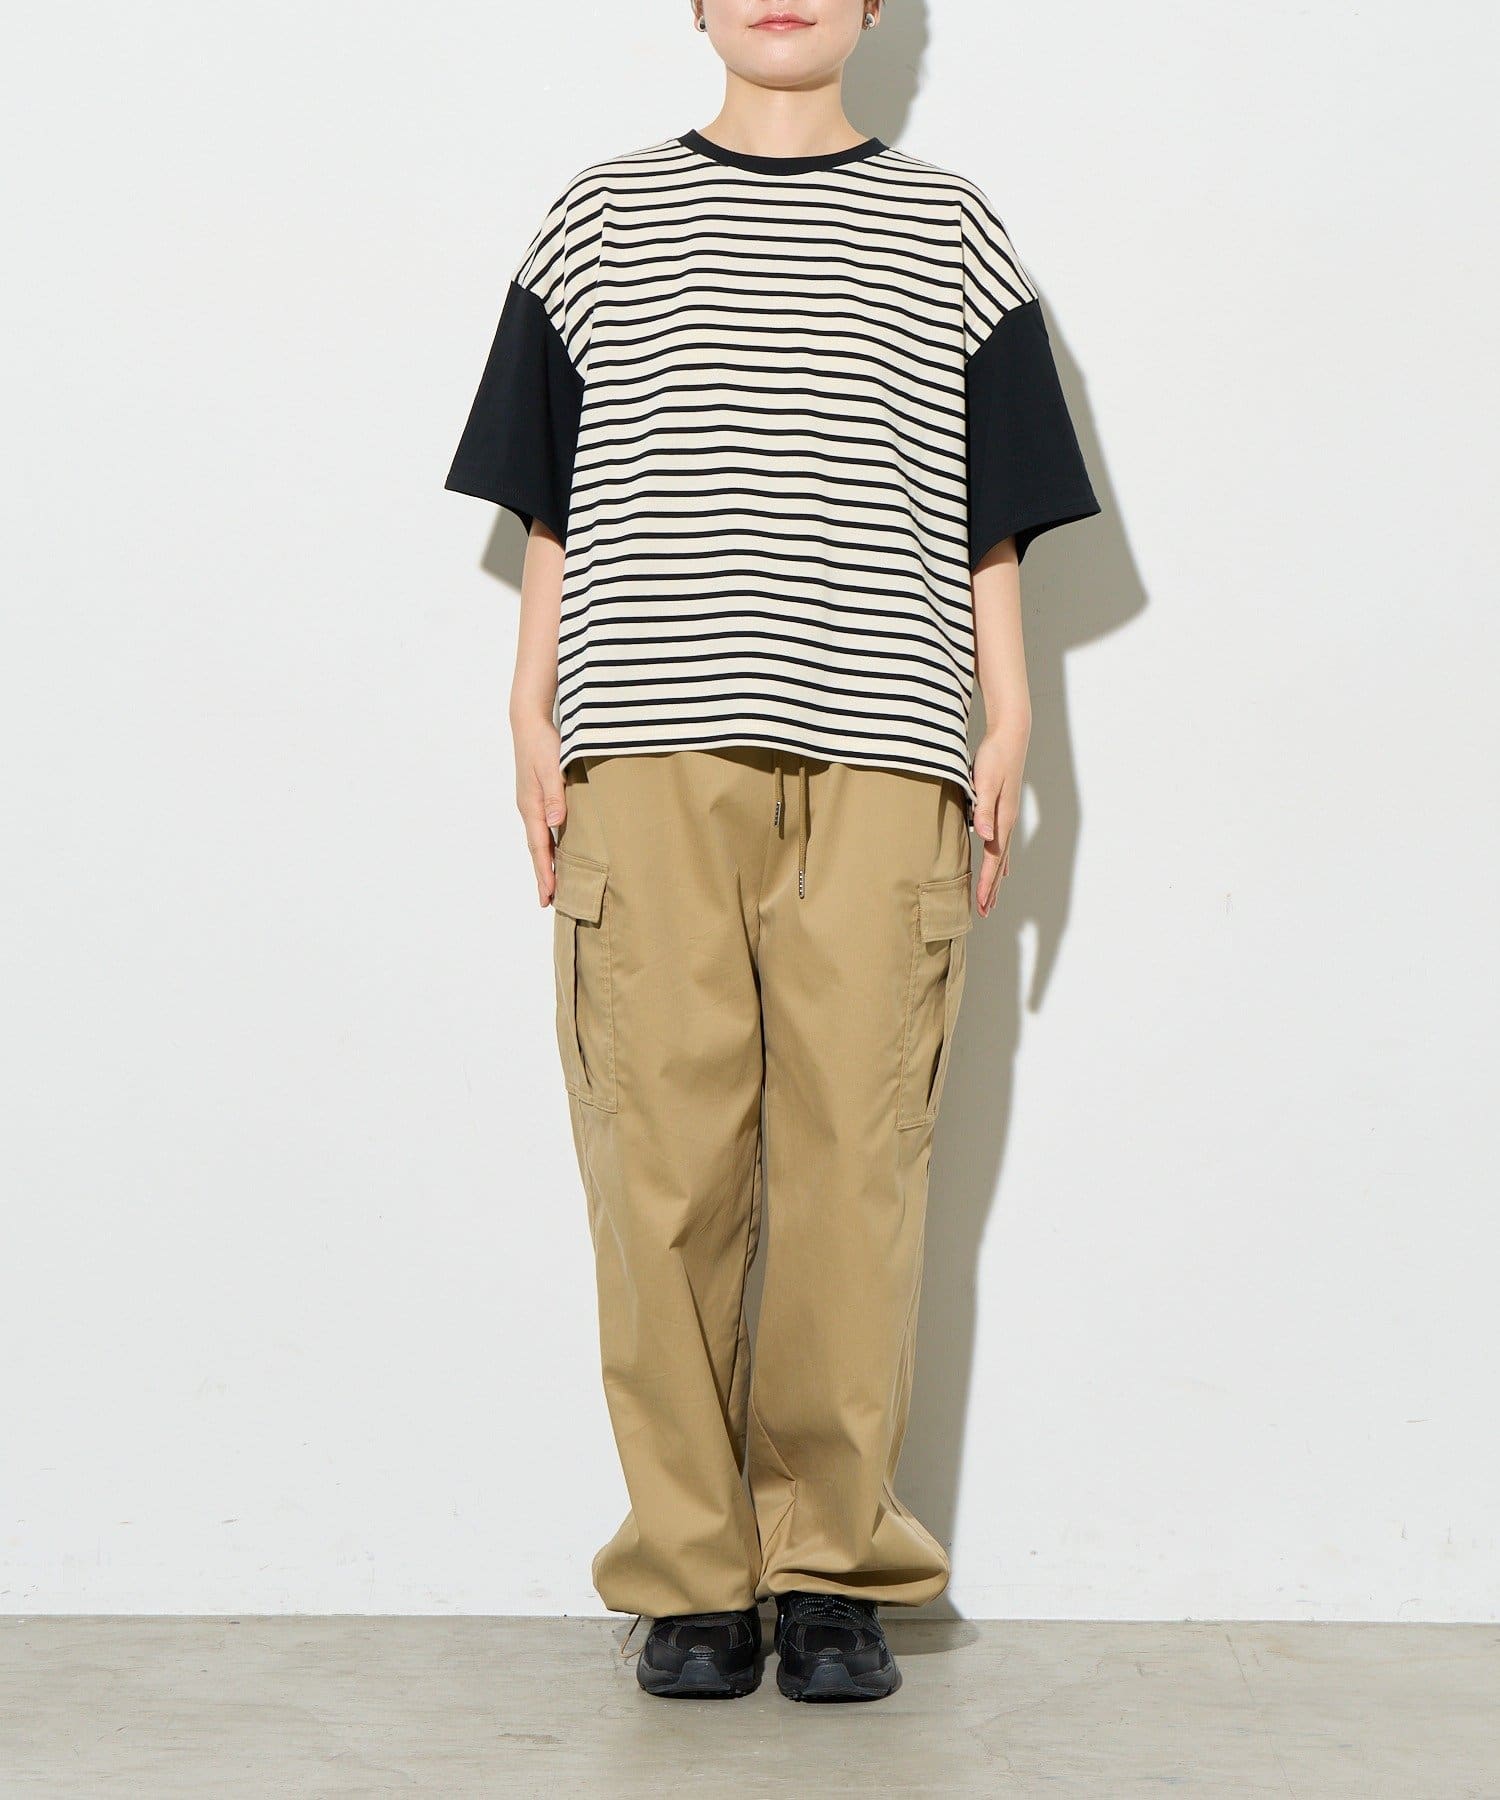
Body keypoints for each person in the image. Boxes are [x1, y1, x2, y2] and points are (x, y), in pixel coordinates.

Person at [444, 0, 1100, 1703]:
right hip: (648, 745)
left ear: (883, 5)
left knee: (854, 1169)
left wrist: (1010, 716)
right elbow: (551, 500)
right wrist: (529, 706)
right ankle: (689, 1573)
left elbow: (996, 517)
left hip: (886, 746)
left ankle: (827, 1569)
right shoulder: (601, 218)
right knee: (659, 1170)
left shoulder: (950, 229)